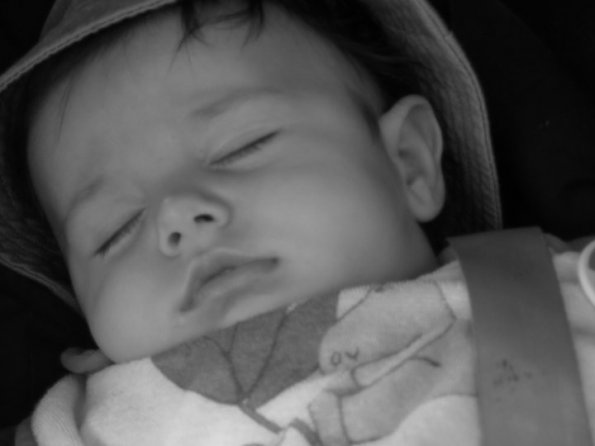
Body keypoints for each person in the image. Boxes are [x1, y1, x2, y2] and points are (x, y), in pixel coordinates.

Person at [0, 0, 593, 444]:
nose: (176, 216)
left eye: (243, 146)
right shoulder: (80, 423)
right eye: (115, 230)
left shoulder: (559, 291)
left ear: (409, 165)